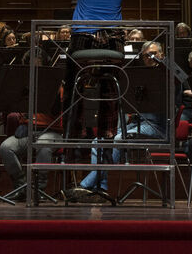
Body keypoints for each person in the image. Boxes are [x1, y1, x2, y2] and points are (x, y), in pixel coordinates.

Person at [29, 0, 166, 143]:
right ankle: (106, 136)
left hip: (82, 44)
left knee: (72, 81)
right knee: (109, 88)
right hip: (111, 47)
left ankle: (72, 135)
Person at [72, 40, 171, 200]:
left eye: (154, 54)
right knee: (98, 141)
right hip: (138, 123)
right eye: (146, 56)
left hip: (158, 126)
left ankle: (84, 186)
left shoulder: (167, 75)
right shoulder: (139, 77)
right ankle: (101, 189)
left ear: (162, 55)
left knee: (118, 140)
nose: (150, 58)